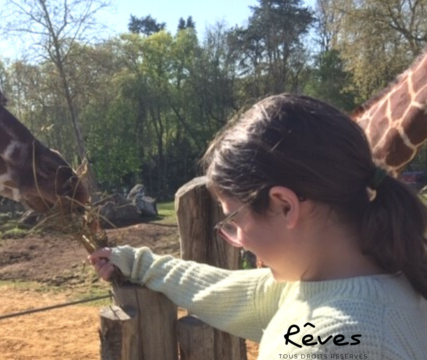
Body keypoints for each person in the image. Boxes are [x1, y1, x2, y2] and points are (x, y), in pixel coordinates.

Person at [89, 94, 427, 359]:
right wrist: (135, 262)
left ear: (284, 206)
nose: (236, 239)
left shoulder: (324, 345)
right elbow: (220, 290)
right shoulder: (383, 280)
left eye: (233, 220)